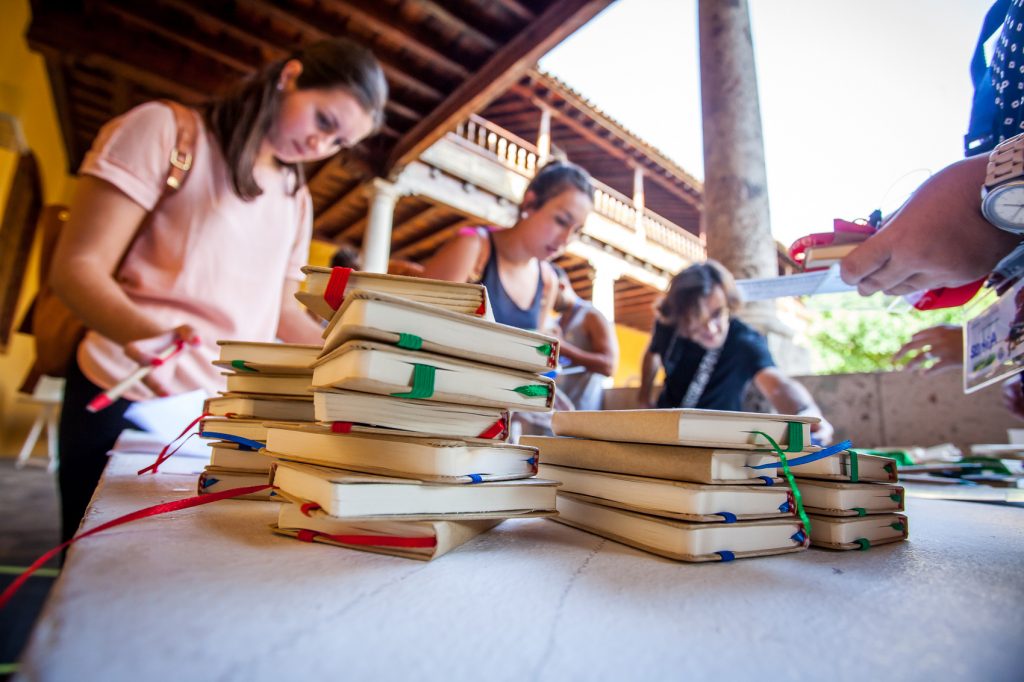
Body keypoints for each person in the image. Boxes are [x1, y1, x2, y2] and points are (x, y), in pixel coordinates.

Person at [49, 38, 387, 543]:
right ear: (289, 76)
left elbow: (277, 308)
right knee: (96, 570)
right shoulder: (167, 132)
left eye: (338, 143)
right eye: (323, 120)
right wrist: (145, 332)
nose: (322, 146)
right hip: (131, 392)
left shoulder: (295, 198)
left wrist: (352, 360)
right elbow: (78, 267)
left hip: (213, 421)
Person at [638, 261, 834, 444]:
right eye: (697, 320)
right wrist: (643, 398)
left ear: (728, 304)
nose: (713, 329)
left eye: (716, 314)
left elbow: (778, 385)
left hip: (718, 440)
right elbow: (652, 354)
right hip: (667, 432)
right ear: (679, 318)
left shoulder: (743, 340)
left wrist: (807, 414)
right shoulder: (669, 328)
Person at [419, 161, 594, 330]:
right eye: (561, 221)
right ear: (530, 203)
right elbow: (421, 325)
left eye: (576, 231)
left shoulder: (548, 282)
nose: (565, 240)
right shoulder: (472, 248)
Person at [550, 265, 617, 411]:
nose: (546, 299)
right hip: (555, 415)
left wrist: (562, 347)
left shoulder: (591, 316)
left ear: (561, 286)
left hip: (583, 412)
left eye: (548, 292)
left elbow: (609, 366)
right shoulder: (556, 323)